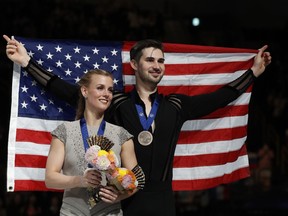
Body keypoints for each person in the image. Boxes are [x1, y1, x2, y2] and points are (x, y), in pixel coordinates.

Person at [4, 35, 272, 216]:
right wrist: (27, 62)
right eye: (150, 60)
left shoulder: (176, 105)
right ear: (134, 64)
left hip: (164, 203)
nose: (157, 66)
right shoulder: (116, 101)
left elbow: (220, 97)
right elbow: (67, 91)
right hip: (120, 203)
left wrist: (253, 73)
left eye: (161, 61)